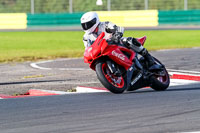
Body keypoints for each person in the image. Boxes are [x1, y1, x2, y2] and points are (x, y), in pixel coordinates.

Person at [80, 11, 160, 71]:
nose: (87, 27)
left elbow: (118, 28)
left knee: (128, 40)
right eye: (84, 25)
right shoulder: (86, 37)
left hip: (115, 43)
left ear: (95, 21)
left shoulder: (105, 25)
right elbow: (87, 49)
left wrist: (117, 35)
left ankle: (149, 59)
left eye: (88, 24)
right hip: (104, 51)